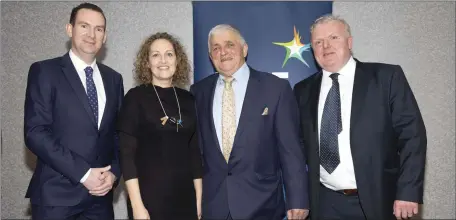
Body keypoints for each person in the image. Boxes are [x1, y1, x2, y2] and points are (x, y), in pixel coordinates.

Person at [293, 14, 427, 220]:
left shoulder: (386, 78)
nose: (325, 46)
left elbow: (412, 137)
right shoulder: (302, 90)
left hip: (380, 200)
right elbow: (296, 146)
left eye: (333, 38)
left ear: (349, 42)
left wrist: (408, 192)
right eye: (318, 42)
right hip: (325, 203)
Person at [190, 24, 309, 220]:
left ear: (244, 49)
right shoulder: (198, 92)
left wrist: (298, 198)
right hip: (214, 206)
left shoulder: (275, 88)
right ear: (211, 56)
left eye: (229, 44)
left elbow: (291, 149)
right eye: (216, 48)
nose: (223, 52)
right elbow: (197, 153)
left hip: (262, 205)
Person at [23, 3, 124, 219]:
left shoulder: (114, 80)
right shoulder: (45, 71)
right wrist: (84, 174)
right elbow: (36, 133)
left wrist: (114, 172)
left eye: (99, 29)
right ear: (69, 29)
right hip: (56, 199)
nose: (91, 34)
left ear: (105, 36)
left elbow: (117, 134)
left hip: (100, 200)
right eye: (84, 26)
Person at [117, 32, 203, 220]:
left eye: (169, 54)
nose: (163, 60)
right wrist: (137, 206)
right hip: (149, 200)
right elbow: (127, 156)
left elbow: (194, 153)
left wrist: (198, 199)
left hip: (185, 198)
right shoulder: (135, 98)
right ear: (147, 63)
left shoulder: (188, 99)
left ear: (177, 60)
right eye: (155, 55)